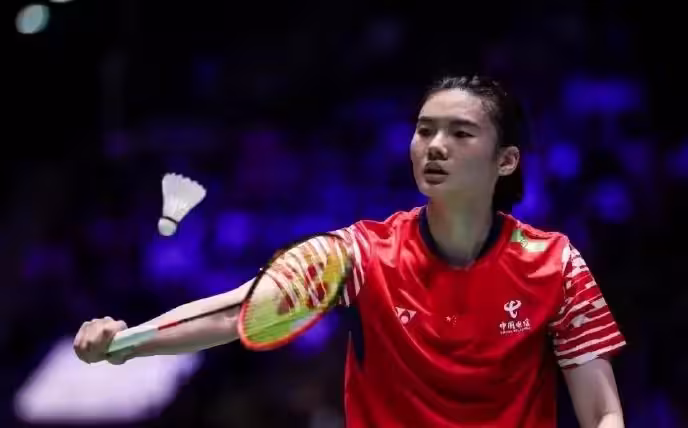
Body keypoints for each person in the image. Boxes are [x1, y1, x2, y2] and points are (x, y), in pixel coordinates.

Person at [74, 76, 626, 427]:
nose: (434, 146)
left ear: (506, 160)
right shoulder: (360, 255)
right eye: (424, 130)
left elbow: (602, 412)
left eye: (460, 133)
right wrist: (123, 343)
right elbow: (238, 310)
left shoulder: (555, 264)